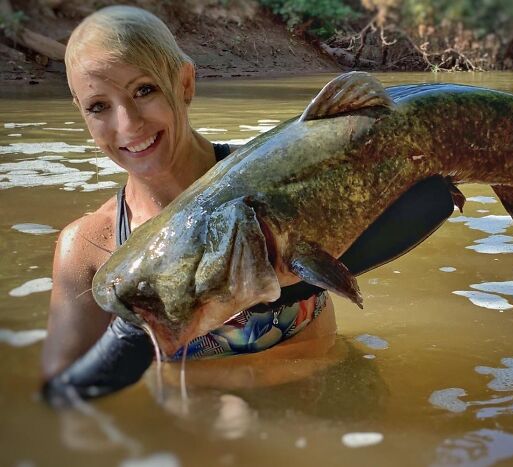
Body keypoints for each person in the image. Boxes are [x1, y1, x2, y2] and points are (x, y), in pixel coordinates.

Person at [41, 5, 457, 404]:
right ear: (81, 112)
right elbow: (67, 399)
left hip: (341, 406)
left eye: (144, 90)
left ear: (185, 83)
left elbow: (424, 201)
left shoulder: (284, 175)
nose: (128, 124)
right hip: (203, 439)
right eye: (99, 106)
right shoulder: (88, 246)